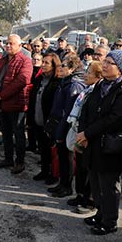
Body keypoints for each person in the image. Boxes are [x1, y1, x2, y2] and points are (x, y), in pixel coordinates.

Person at [76, 50, 122, 235]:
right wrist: (83, 132)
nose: (104, 65)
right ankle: (100, 213)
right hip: (94, 141)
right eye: (105, 61)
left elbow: (114, 118)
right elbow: (87, 108)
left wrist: (88, 132)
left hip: (110, 143)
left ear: (120, 68)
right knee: (95, 181)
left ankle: (110, 221)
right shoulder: (102, 84)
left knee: (109, 184)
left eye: (110, 63)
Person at [0, 34, 33, 174]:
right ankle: (8, 158)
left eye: (11, 43)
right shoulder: (2, 61)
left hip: (15, 103)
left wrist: (1, 95)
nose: (8, 46)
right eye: (7, 43)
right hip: (0, 103)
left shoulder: (25, 61)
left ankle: (19, 162)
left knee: (18, 134)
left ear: (19, 46)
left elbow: (21, 81)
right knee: (5, 132)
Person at [66, 61, 104, 212]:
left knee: (89, 170)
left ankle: (90, 200)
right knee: (81, 168)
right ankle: (80, 195)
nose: (85, 75)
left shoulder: (99, 92)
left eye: (89, 72)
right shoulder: (87, 90)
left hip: (89, 136)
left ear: (98, 76)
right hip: (80, 132)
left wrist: (86, 134)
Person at [48, 54, 85, 196]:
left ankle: (67, 186)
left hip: (66, 127)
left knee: (67, 158)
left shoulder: (74, 85)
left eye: (63, 65)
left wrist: (60, 132)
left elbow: (68, 112)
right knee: (62, 157)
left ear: (72, 68)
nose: (60, 68)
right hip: (59, 124)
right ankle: (62, 183)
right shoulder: (66, 82)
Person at [32, 52, 62, 185]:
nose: (43, 65)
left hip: (51, 122)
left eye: (46, 63)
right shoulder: (39, 80)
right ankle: (44, 170)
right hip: (38, 119)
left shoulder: (57, 82)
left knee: (52, 150)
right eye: (42, 62)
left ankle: (54, 174)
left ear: (54, 65)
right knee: (43, 148)